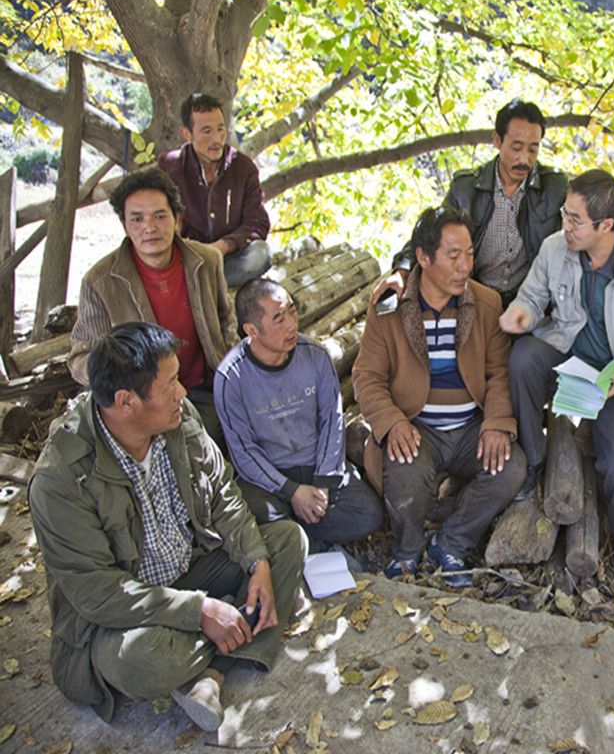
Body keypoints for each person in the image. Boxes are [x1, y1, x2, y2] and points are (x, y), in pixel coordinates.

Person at [29, 322, 305, 730]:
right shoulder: (61, 479)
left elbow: (222, 493)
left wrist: (257, 562)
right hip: (124, 615)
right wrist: (199, 611)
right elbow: (98, 594)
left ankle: (211, 671)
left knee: (287, 541)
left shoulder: (177, 417)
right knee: (142, 662)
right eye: (170, 383)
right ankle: (235, 630)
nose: (182, 393)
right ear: (126, 402)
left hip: (190, 567)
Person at [500, 169, 614, 592]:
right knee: (523, 358)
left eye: (575, 220)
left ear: (607, 225)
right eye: (565, 214)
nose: (566, 225)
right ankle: (533, 464)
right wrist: (522, 313)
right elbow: (533, 295)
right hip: (568, 356)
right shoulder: (555, 249)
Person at [352, 205, 526, 588]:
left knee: (511, 468)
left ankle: (450, 545)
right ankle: (407, 550)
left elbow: (499, 373)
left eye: (470, 254)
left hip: (469, 427)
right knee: (402, 468)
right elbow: (367, 376)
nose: (465, 267)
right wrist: (391, 422)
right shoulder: (389, 306)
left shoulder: (485, 303)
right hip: (419, 427)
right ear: (423, 257)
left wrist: (496, 423)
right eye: (453, 256)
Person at [374, 99, 614, 307]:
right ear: (497, 141)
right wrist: (402, 269)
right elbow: (430, 234)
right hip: (476, 297)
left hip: (532, 301)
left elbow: (599, 202)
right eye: (516, 147)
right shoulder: (467, 189)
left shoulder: (554, 186)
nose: (525, 159)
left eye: (533, 149)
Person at [214, 279, 383, 554]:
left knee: (368, 513)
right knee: (252, 511)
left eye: (292, 311)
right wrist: (292, 491)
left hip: (315, 465)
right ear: (251, 330)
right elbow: (244, 452)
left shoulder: (315, 357)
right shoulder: (231, 377)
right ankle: (305, 536)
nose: (292, 325)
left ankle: (296, 536)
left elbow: (332, 423)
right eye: (279, 319)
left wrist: (323, 484)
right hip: (270, 476)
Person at [69, 167, 236, 442]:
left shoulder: (207, 261)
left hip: (204, 389)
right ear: (125, 225)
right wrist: (128, 382)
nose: (149, 228)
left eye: (160, 216)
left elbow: (226, 319)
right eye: (137, 219)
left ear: (177, 218)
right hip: (143, 405)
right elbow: (81, 358)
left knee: (216, 447)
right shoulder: (99, 281)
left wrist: (232, 375)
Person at [158, 93, 272, 287]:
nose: (216, 139)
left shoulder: (243, 167)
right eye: (206, 131)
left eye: (220, 129)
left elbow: (257, 223)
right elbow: (159, 220)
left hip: (231, 259)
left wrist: (222, 246)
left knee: (261, 253)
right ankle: (203, 283)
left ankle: (202, 285)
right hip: (187, 260)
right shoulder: (169, 167)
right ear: (187, 133)